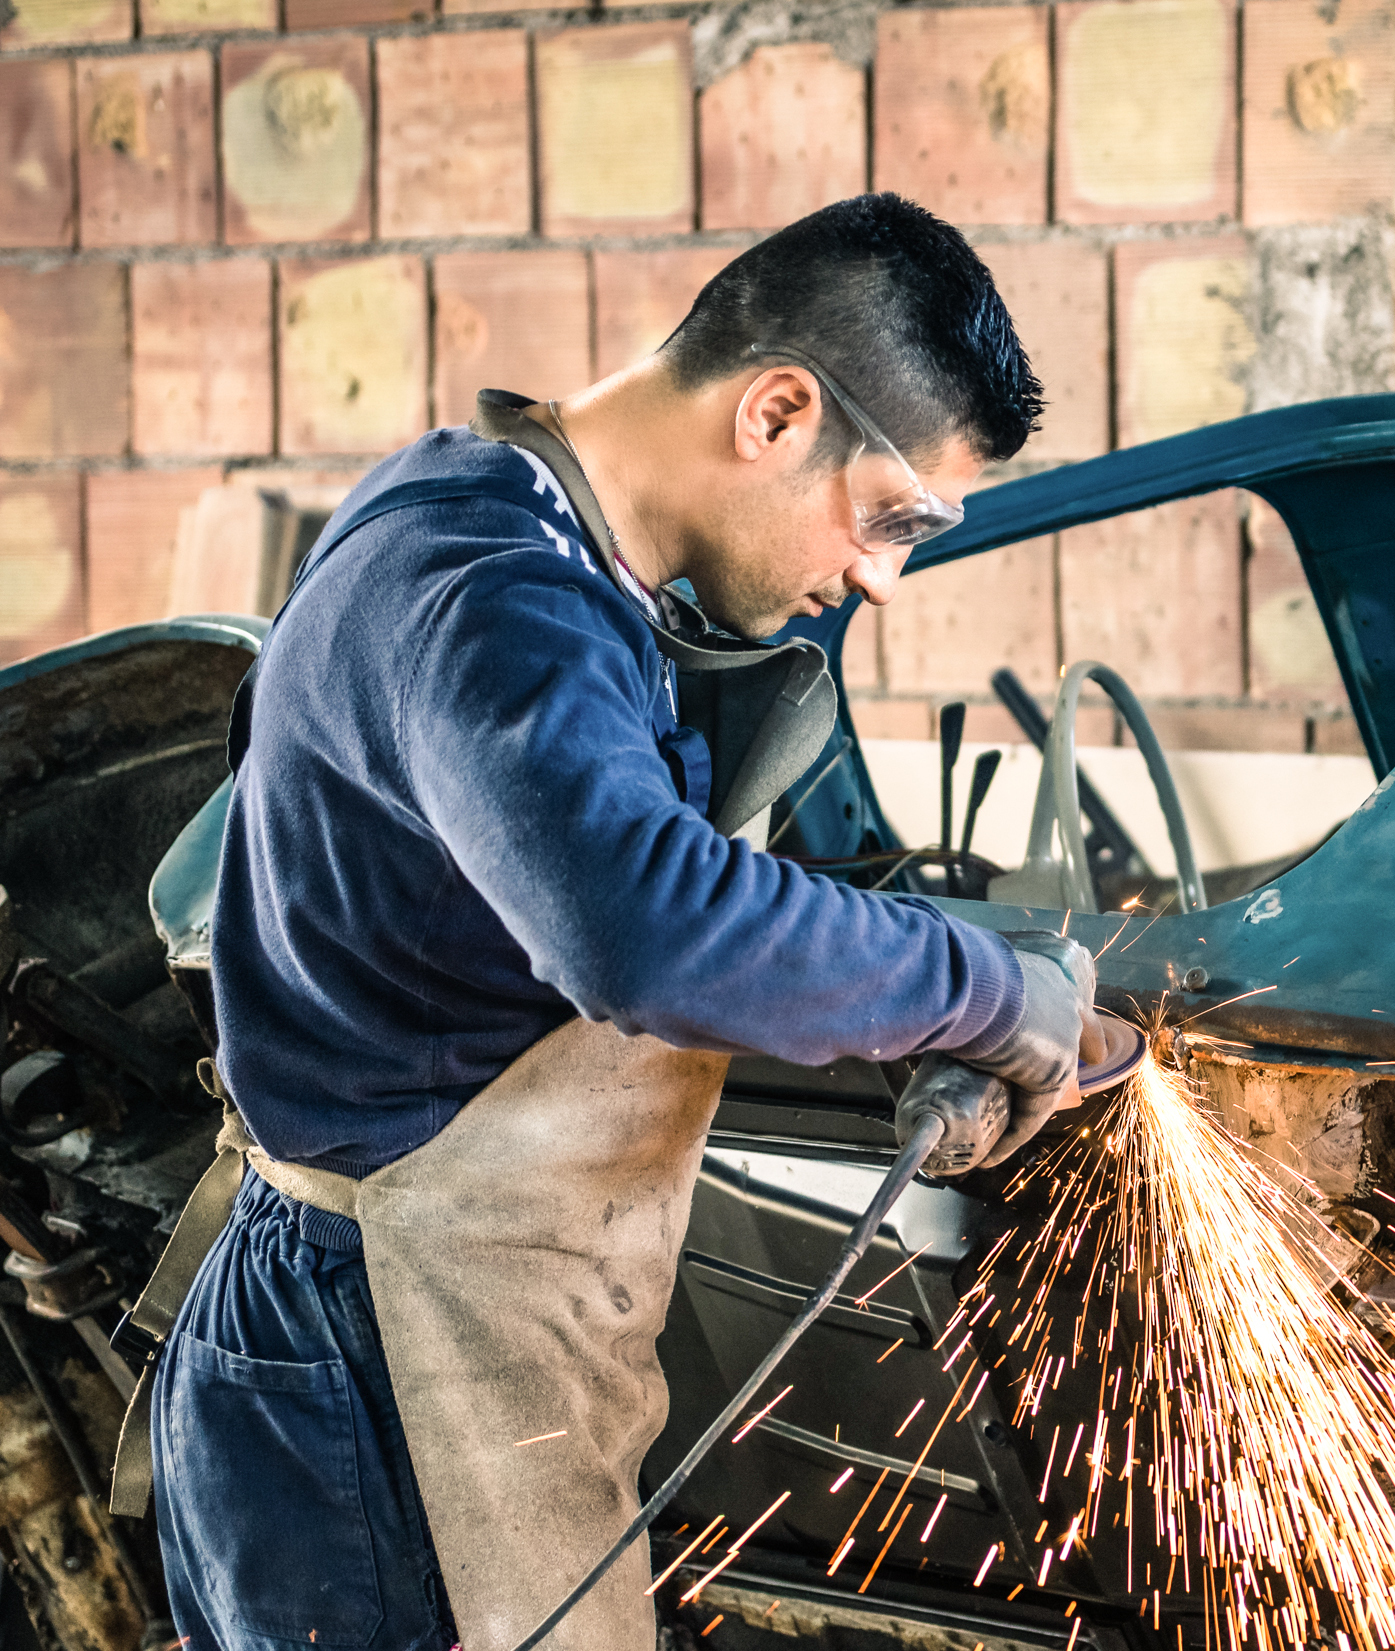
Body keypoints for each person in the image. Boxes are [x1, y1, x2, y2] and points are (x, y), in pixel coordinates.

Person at [140, 195, 1096, 1650]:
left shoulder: (509, 518)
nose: (881, 573)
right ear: (777, 412)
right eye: (894, 516)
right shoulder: (489, 589)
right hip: (371, 1343)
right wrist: (984, 992)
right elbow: (646, 929)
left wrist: (886, 1011)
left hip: (423, 1319)